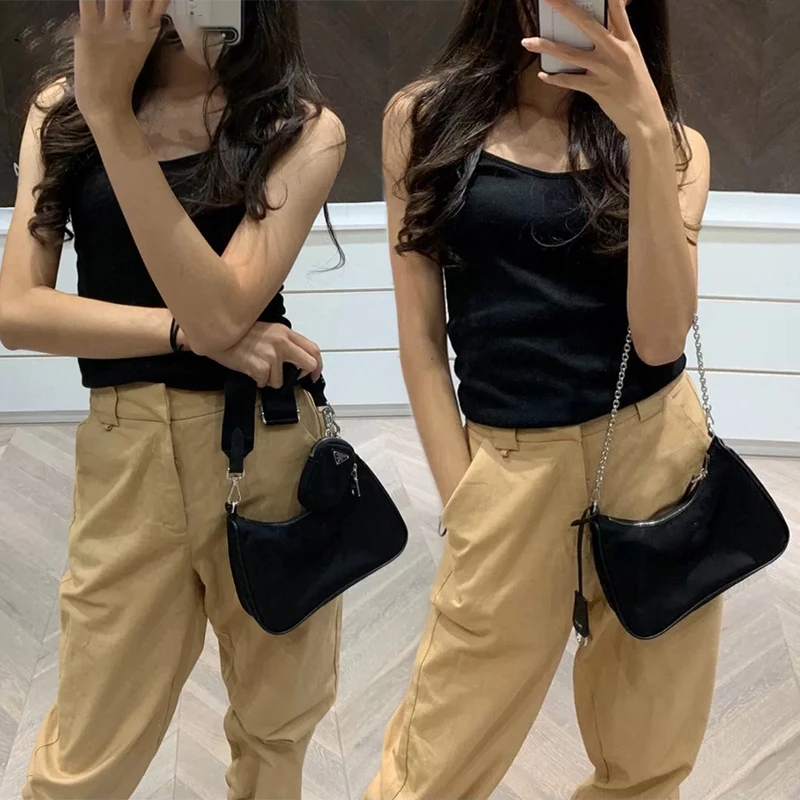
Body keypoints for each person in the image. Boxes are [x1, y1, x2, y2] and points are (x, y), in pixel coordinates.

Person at [366, 0, 720, 797]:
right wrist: (463, 497)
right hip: (510, 466)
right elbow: (421, 337)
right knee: (430, 768)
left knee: (647, 761)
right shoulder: (423, 122)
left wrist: (644, 131)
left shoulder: (675, 148)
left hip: (656, 458)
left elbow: (660, 338)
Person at [0, 2, 345, 797]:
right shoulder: (63, 108)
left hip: (267, 446)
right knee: (87, 746)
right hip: (129, 451)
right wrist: (181, 333)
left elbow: (225, 309)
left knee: (275, 727)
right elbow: (18, 310)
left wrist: (113, 120)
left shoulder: (298, 128)